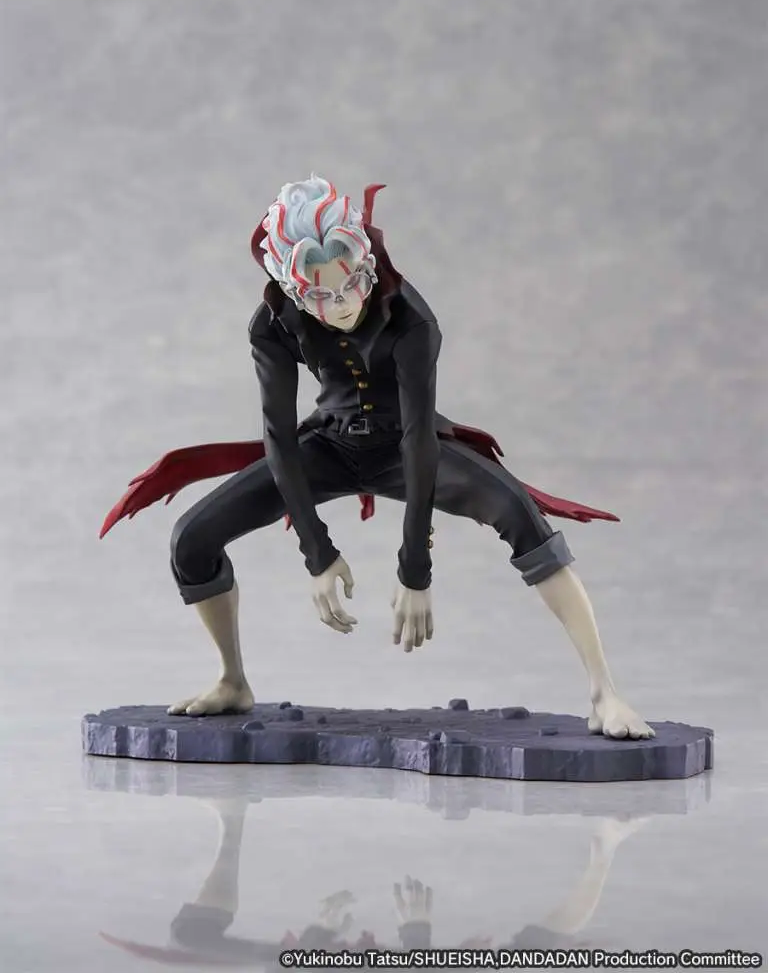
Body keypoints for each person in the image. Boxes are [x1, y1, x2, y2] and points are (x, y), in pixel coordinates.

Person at [101, 175, 652, 740]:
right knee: (191, 540)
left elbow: (418, 436)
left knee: (522, 518)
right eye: (321, 295)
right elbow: (278, 436)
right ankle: (232, 679)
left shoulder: (410, 317)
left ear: (365, 265)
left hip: (404, 445)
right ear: (292, 289)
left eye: (351, 285)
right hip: (328, 446)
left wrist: (415, 566)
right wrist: (317, 550)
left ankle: (605, 692)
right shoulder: (273, 324)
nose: (341, 303)